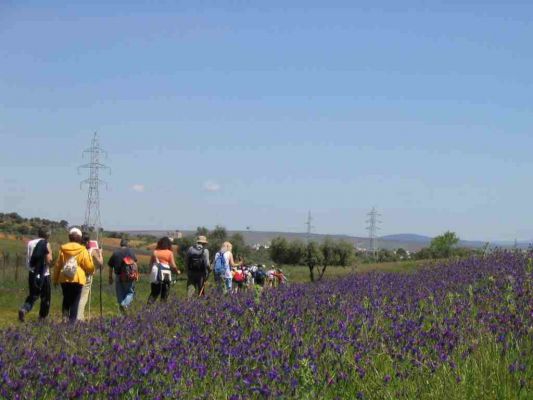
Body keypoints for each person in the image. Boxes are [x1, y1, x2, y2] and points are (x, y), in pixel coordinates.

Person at [53, 227, 95, 322]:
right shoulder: (83, 250)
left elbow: (57, 266)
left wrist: (55, 279)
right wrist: (92, 270)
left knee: (66, 298)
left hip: (64, 278)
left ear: (69, 238)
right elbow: (89, 267)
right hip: (78, 279)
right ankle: (71, 324)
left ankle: (64, 317)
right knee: (75, 302)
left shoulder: (63, 249)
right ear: (80, 238)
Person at [18, 227, 53, 322]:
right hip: (43, 274)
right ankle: (42, 317)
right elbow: (49, 260)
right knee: (45, 297)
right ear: (47, 235)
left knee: (33, 295)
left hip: (32, 273)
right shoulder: (46, 244)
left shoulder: (30, 243)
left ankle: (24, 309)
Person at [77, 232, 103, 321]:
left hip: (74, 276)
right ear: (88, 241)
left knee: (75, 297)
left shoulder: (76, 248)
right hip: (86, 276)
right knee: (83, 298)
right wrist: (100, 253)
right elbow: (100, 263)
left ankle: (71, 317)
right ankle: (79, 319)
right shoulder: (92, 251)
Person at [108, 238, 138, 313]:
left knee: (120, 294)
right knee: (130, 292)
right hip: (129, 276)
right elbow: (135, 263)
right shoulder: (131, 252)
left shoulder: (115, 253)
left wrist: (110, 277)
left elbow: (110, 266)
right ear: (127, 244)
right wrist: (136, 275)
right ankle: (125, 306)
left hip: (118, 276)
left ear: (120, 244)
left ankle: (122, 309)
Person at [148, 237, 180, 303]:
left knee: (154, 292)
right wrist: (177, 271)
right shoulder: (170, 253)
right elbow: (173, 265)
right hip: (166, 274)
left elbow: (150, 264)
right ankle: (163, 307)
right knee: (165, 292)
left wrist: (150, 273)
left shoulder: (155, 252)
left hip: (155, 273)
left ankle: (148, 307)